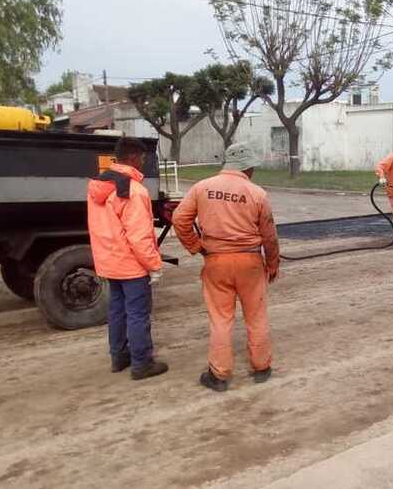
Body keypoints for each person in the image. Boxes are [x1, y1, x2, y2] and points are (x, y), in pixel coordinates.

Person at [172, 142, 279, 392]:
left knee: (220, 319)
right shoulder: (257, 193)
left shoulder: (202, 187)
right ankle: (261, 367)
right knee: (256, 316)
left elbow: (179, 219)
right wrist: (273, 262)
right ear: (247, 167)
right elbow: (269, 235)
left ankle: (219, 376)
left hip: (216, 261)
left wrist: (196, 246)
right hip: (250, 262)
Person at [87, 137, 168, 380]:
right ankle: (142, 363)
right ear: (133, 158)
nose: (143, 162)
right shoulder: (133, 190)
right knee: (137, 313)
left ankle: (119, 356)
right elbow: (140, 236)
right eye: (142, 158)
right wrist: (154, 265)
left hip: (109, 262)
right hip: (131, 265)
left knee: (117, 310)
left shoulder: (98, 186)